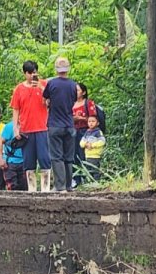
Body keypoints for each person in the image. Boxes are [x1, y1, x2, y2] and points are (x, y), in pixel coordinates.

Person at [9, 61, 51, 192]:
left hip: (42, 128)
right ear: (25, 73)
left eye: (35, 72)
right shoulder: (19, 89)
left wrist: (41, 88)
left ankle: (45, 189)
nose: (33, 75)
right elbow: (16, 109)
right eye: (30, 73)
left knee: (44, 159)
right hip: (26, 130)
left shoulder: (44, 84)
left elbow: (50, 102)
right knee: (28, 162)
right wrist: (16, 128)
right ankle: (32, 189)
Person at [44, 57, 79, 192]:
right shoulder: (73, 85)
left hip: (55, 124)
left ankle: (60, 186)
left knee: (56, 156)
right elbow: (73, 100)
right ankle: (69, 185)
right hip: (69, 125)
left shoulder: (51, 84)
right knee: (68, 157)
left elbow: (45, 98)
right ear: (68, 69)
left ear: (56, 69)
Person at [72, 83, 102, 186]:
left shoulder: (88, 103)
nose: (76, 92)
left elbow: (93, 119)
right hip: (73, 132)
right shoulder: (71, 103)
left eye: (78, 90)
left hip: (86, 132)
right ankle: (76, 179)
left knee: (84, 155)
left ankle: (88, 178)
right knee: (73, 155)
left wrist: (80, 118)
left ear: (83, 92)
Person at [0, 121, 27, 191]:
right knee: (12, 187)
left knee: (25, 187)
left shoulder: (28, 125)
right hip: (10, 162)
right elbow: (0, 142)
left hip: (24, 162)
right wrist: (1, 159)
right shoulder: (9, 126)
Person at [79, 115, 105, 182]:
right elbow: (81, 142)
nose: (91, 123)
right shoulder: (87, 132)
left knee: (95, 171)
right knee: (88, 171)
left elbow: (102, 141)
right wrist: (85, 144)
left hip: (95, 156)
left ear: (97, 123)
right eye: (89, 121)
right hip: (87, 156)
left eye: (93, 121)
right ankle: (89, 184)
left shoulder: (98, 132)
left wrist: (92, 145)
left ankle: (96, 184)